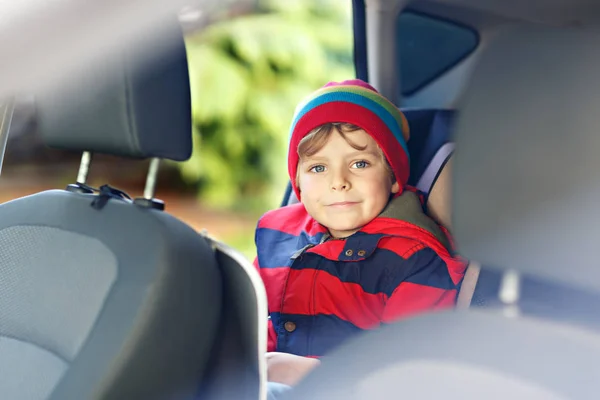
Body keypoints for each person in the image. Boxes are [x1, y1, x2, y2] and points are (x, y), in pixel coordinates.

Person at [254, 80, 467, 395]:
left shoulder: (416, 260)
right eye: (317, 168)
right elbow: (255, 326)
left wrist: (304, 373)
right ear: (297, 180)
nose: (338, 182)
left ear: (393, 177)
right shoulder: (276, 237)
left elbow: (410, 374)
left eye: (360, 163)